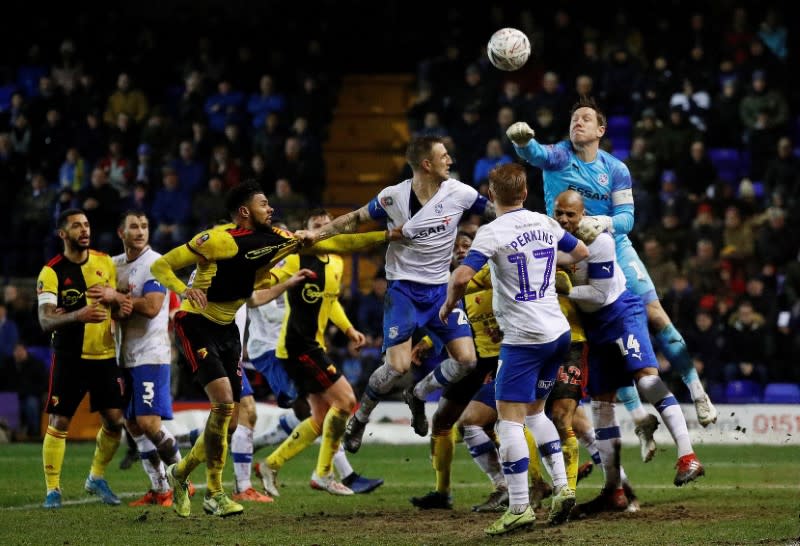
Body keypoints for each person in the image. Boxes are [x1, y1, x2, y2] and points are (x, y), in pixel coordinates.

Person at [150, 181, 393, 517]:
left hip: (228, 331)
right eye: (264, 204)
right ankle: (215, 493)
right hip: (195, 324)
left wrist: (387, 237)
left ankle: (180, 472)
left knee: (231, 423)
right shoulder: (217, 239)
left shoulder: (277, 240)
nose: (272, 209)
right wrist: (184, 290)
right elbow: (160, 266)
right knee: (223, 404)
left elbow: (340, 241)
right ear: (245, 211)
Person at [506, 96, 718, 446]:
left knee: (656, 314)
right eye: (574, 118)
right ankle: (636, 419)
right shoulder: (560, 156)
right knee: (601, 338)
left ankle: (697, 391)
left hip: (613, 247)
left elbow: (627, 219)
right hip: (568, 255)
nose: (578, 123)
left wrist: (604, 221)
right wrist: (522, 140)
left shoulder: (616, 169)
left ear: (601, 130)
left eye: (586, 119)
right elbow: (534, 155)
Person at [296, 136, 490, 452]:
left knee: (467, 360)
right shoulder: (394, 197)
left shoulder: (460, 193)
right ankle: (360, 419)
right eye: (444, 156)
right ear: (427, 164)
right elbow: (356, 218)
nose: (450, 160)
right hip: (403, 290)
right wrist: (316, 235)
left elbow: (500, 211)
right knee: (397, 367)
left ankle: (417, 393)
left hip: (440, 289)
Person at [439, 164, 589, 535]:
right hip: (558, 334)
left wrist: (447, 305)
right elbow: (582, 250)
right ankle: (562, 488)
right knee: (537, 413)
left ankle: (520, 506)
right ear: (524, 194)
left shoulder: (492, 232)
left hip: (524, 340)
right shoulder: (546, 222)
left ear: (491, 195)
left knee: (509, 420)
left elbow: (461, 275)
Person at [553, 190, 704, 515]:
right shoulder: (553, 239)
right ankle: (614, 490)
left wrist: (563, 289)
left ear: (583, 215)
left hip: (620, 313)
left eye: (571, 214)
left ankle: (688, 456)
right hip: (594, 328)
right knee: (601, 406)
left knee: (647, 381)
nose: (564, 220)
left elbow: (598, 293)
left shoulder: (600, 241)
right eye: (559, 213)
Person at [256, 209, 385, 496]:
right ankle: (323, 473)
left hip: (313, 345)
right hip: (298, 346)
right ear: (306, 231)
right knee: (346, 400)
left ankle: (271, 464)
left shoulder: (335, 262)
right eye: (317, 226)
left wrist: (349, 329)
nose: (324, 230)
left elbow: (332, 301)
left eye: (328, 226)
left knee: (319, 417)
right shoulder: (295, 258)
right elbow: (264, 285)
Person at [37, 208, 133, 509]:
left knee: (115, 422)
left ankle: (96, 477)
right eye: (76, 226)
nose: (84, 230)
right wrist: (79, 315)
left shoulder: (105, 262)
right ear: (63, 234)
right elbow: (45, 320)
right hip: (69, 356)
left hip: (104, 355)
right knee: (60, 420)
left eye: (87, 224)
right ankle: (53, 489)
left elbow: (119, 308)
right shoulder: (51, 271)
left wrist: (116, 300)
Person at [112, 211, 182, 507]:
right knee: (132, 423)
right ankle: (160, 488)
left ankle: (183, 480)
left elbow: (153, 307)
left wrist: (116, 299)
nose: (140, 231)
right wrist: (113, 306)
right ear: (121, 232)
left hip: (151, 353)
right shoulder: (112, 265)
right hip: (122, 355)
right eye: (134, 227)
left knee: (149, 422)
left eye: (144, 226)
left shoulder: (156, 262)